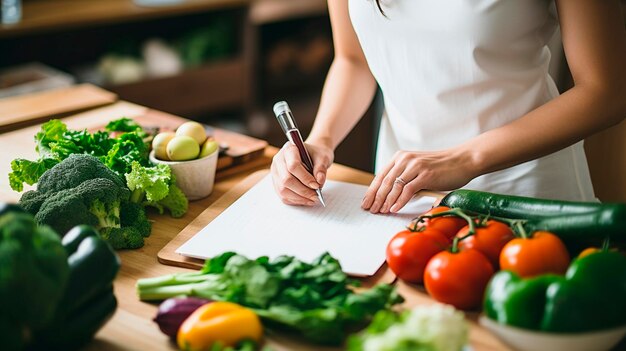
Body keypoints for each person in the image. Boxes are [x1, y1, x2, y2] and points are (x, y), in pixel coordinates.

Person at [270, 0, 626, 214]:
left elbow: (606, 91)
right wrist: (321, 140)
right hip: (403, 197)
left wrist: (465, 158)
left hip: (526, 194)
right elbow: (353, 60)